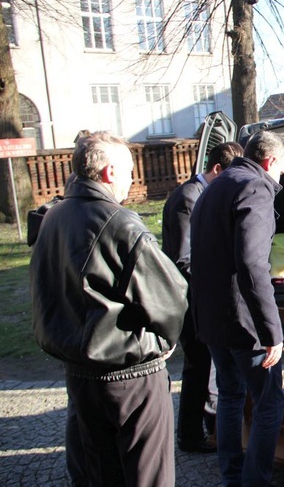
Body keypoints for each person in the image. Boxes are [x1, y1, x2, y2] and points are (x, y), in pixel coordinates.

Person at [29, 131, 188, 485]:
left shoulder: (52, 216)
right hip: (128, 376)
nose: (133, 179)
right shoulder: (119, 222)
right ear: (109, 172)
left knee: (99, 474)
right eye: (130, 170)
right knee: (148, 476)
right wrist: (161, 343)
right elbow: (171, 297)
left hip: (79, 372)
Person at [190, 130, 284, 486]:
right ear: (270, 162)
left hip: (211, 316)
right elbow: (252, 264)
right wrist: (271, 332)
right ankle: (255, 481)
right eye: (282, 172)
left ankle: (232, 476)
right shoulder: (255, 186)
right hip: (242, 321)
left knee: (231, 396)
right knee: (268, 403)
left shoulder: (215, 184)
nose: (280, 180)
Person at [162, 141, 243, 453]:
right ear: (217, 170)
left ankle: (201, 432)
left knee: (202, 366)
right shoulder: (188, 199)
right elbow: (183, 258)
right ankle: (199, 435)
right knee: (201, 368)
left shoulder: (199, 194)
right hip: (191, 299)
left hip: (199, 296)